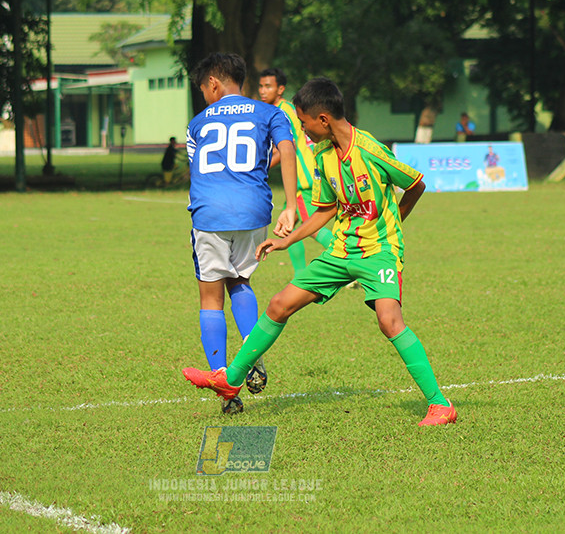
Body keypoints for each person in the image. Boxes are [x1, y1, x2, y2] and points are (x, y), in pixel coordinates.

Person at [183, 77, 457, 427]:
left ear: (323, 119)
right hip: (340, 251)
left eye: (304, 122)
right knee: (279, 305)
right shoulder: (323, 155)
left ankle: (440, 405)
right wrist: (287, 240)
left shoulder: (370, 150)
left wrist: (395, 223)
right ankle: (232, 379)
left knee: (389, 322)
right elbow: (325, 210)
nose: (302, 130)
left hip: (379, 252)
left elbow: (416, 183)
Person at [185, 53, 299, 414]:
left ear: (213, 83)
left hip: (210, 213)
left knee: (211, 298)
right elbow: (287, 150)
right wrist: (291, 204)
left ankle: (227, 391)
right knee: (240, 281)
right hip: (253, 211)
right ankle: (252, 355)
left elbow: (198, 170)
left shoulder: (197, 123)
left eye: (203, 89)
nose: (204, 95)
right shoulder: (270, 113)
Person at [257, 68, 335, 274]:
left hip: (302, 178)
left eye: (268, 86)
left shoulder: (282, 112)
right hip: (304, 177)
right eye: (261, 86)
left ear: (280, 89)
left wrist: (257, 169)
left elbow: (286, 149)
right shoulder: (288, 108)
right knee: (287, 228)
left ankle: (351, 260)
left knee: (313, 228)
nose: (263, 91)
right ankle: (299, 276)